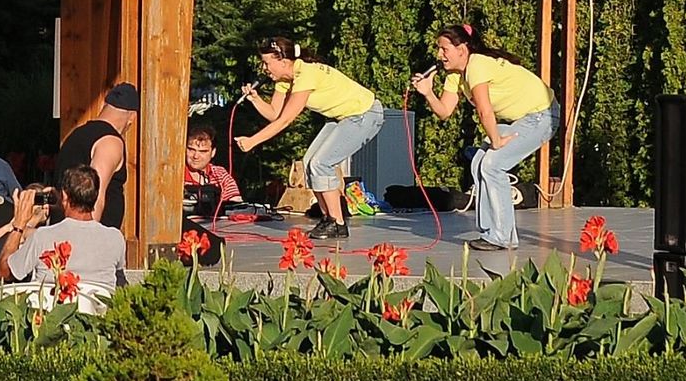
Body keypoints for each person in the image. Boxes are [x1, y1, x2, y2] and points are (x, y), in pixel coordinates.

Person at [413, 21, 558, 255]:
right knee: (479, 162)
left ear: (462, 49)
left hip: (543, 115)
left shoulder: (477, 65)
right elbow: (444, 111)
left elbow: (484, 111)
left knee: (493, 165)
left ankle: (502, 237)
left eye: (444, 49)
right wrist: (428, 92)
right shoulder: (455, 75)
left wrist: (497, 141)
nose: (439, 55)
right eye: (439, 49)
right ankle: (491, 232)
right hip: (524, 119)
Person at [235, 36, 384, 241]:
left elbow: (286, 120)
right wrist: (255, 99)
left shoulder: (306, 75)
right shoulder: (284, 81)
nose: (264, 68)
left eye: (267, 63)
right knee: (309, 163)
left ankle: (337, 222)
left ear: (283, 61)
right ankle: (329, 220)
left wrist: (253, 141)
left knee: (321, 163)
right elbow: (275, 114)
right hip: (342, 117)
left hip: (364, 114)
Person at [0, 167, 127, 293]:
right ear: (95, 196)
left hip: (54, 305)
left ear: (64, 195)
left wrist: (19, 223)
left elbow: (4, 272)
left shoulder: (42, 237)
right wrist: (62, 204)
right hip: (98, 305)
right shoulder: (115, 238)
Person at [54, 83, 138, 230]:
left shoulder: (76, 135)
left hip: (64, 231)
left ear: (104, 106)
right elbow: (95, 193)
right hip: (87, 235)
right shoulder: (110, 142)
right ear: (132, 117)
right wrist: (90, 237)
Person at [183, 124, 241, 223]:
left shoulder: (220, 174)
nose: (196, 156)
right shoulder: (173, 174)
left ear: (213, 152)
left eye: (203, 151)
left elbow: (237, 208)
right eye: (191, 150)